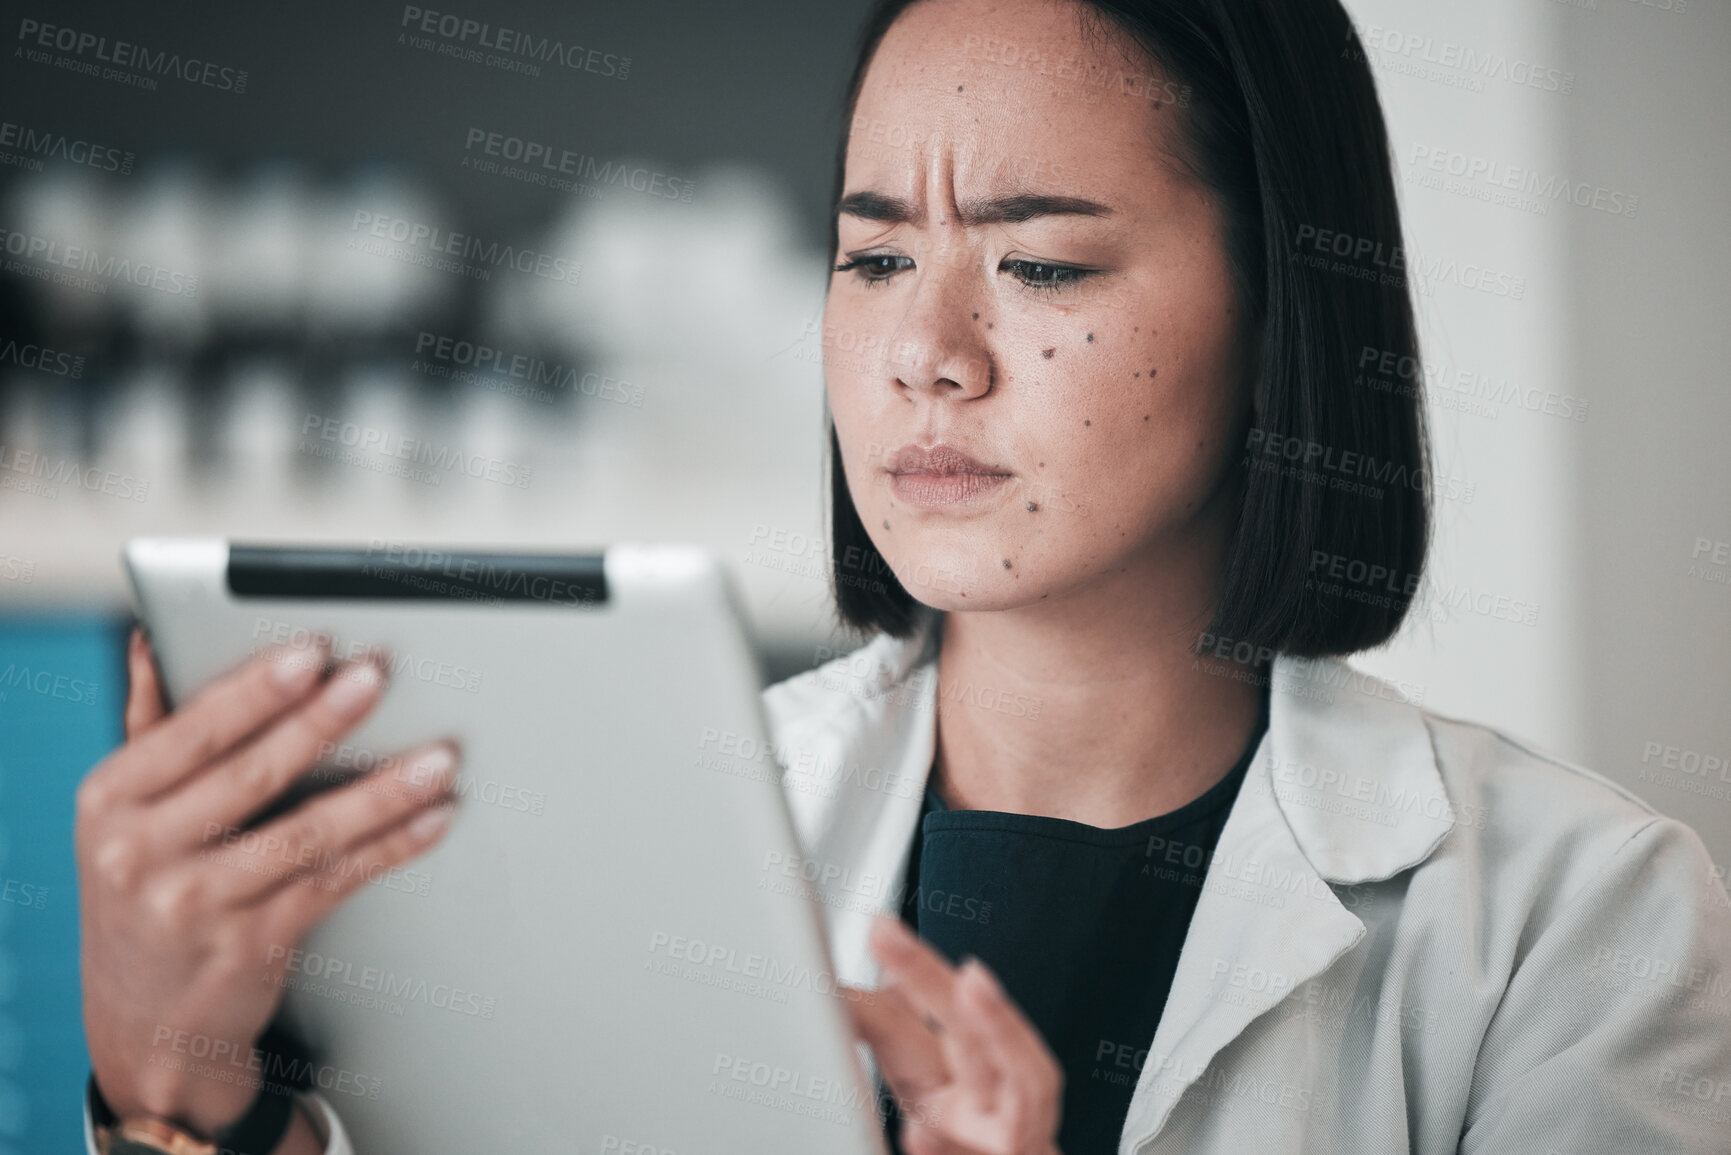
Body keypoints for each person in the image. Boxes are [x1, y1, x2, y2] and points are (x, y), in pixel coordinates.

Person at [77, 0, 1731, 1152]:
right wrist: (179, 1102)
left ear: (1288, 309)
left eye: (1041, 261)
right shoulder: (625, 831)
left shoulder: (1577, 922)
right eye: (872, 257)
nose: (926, 356)